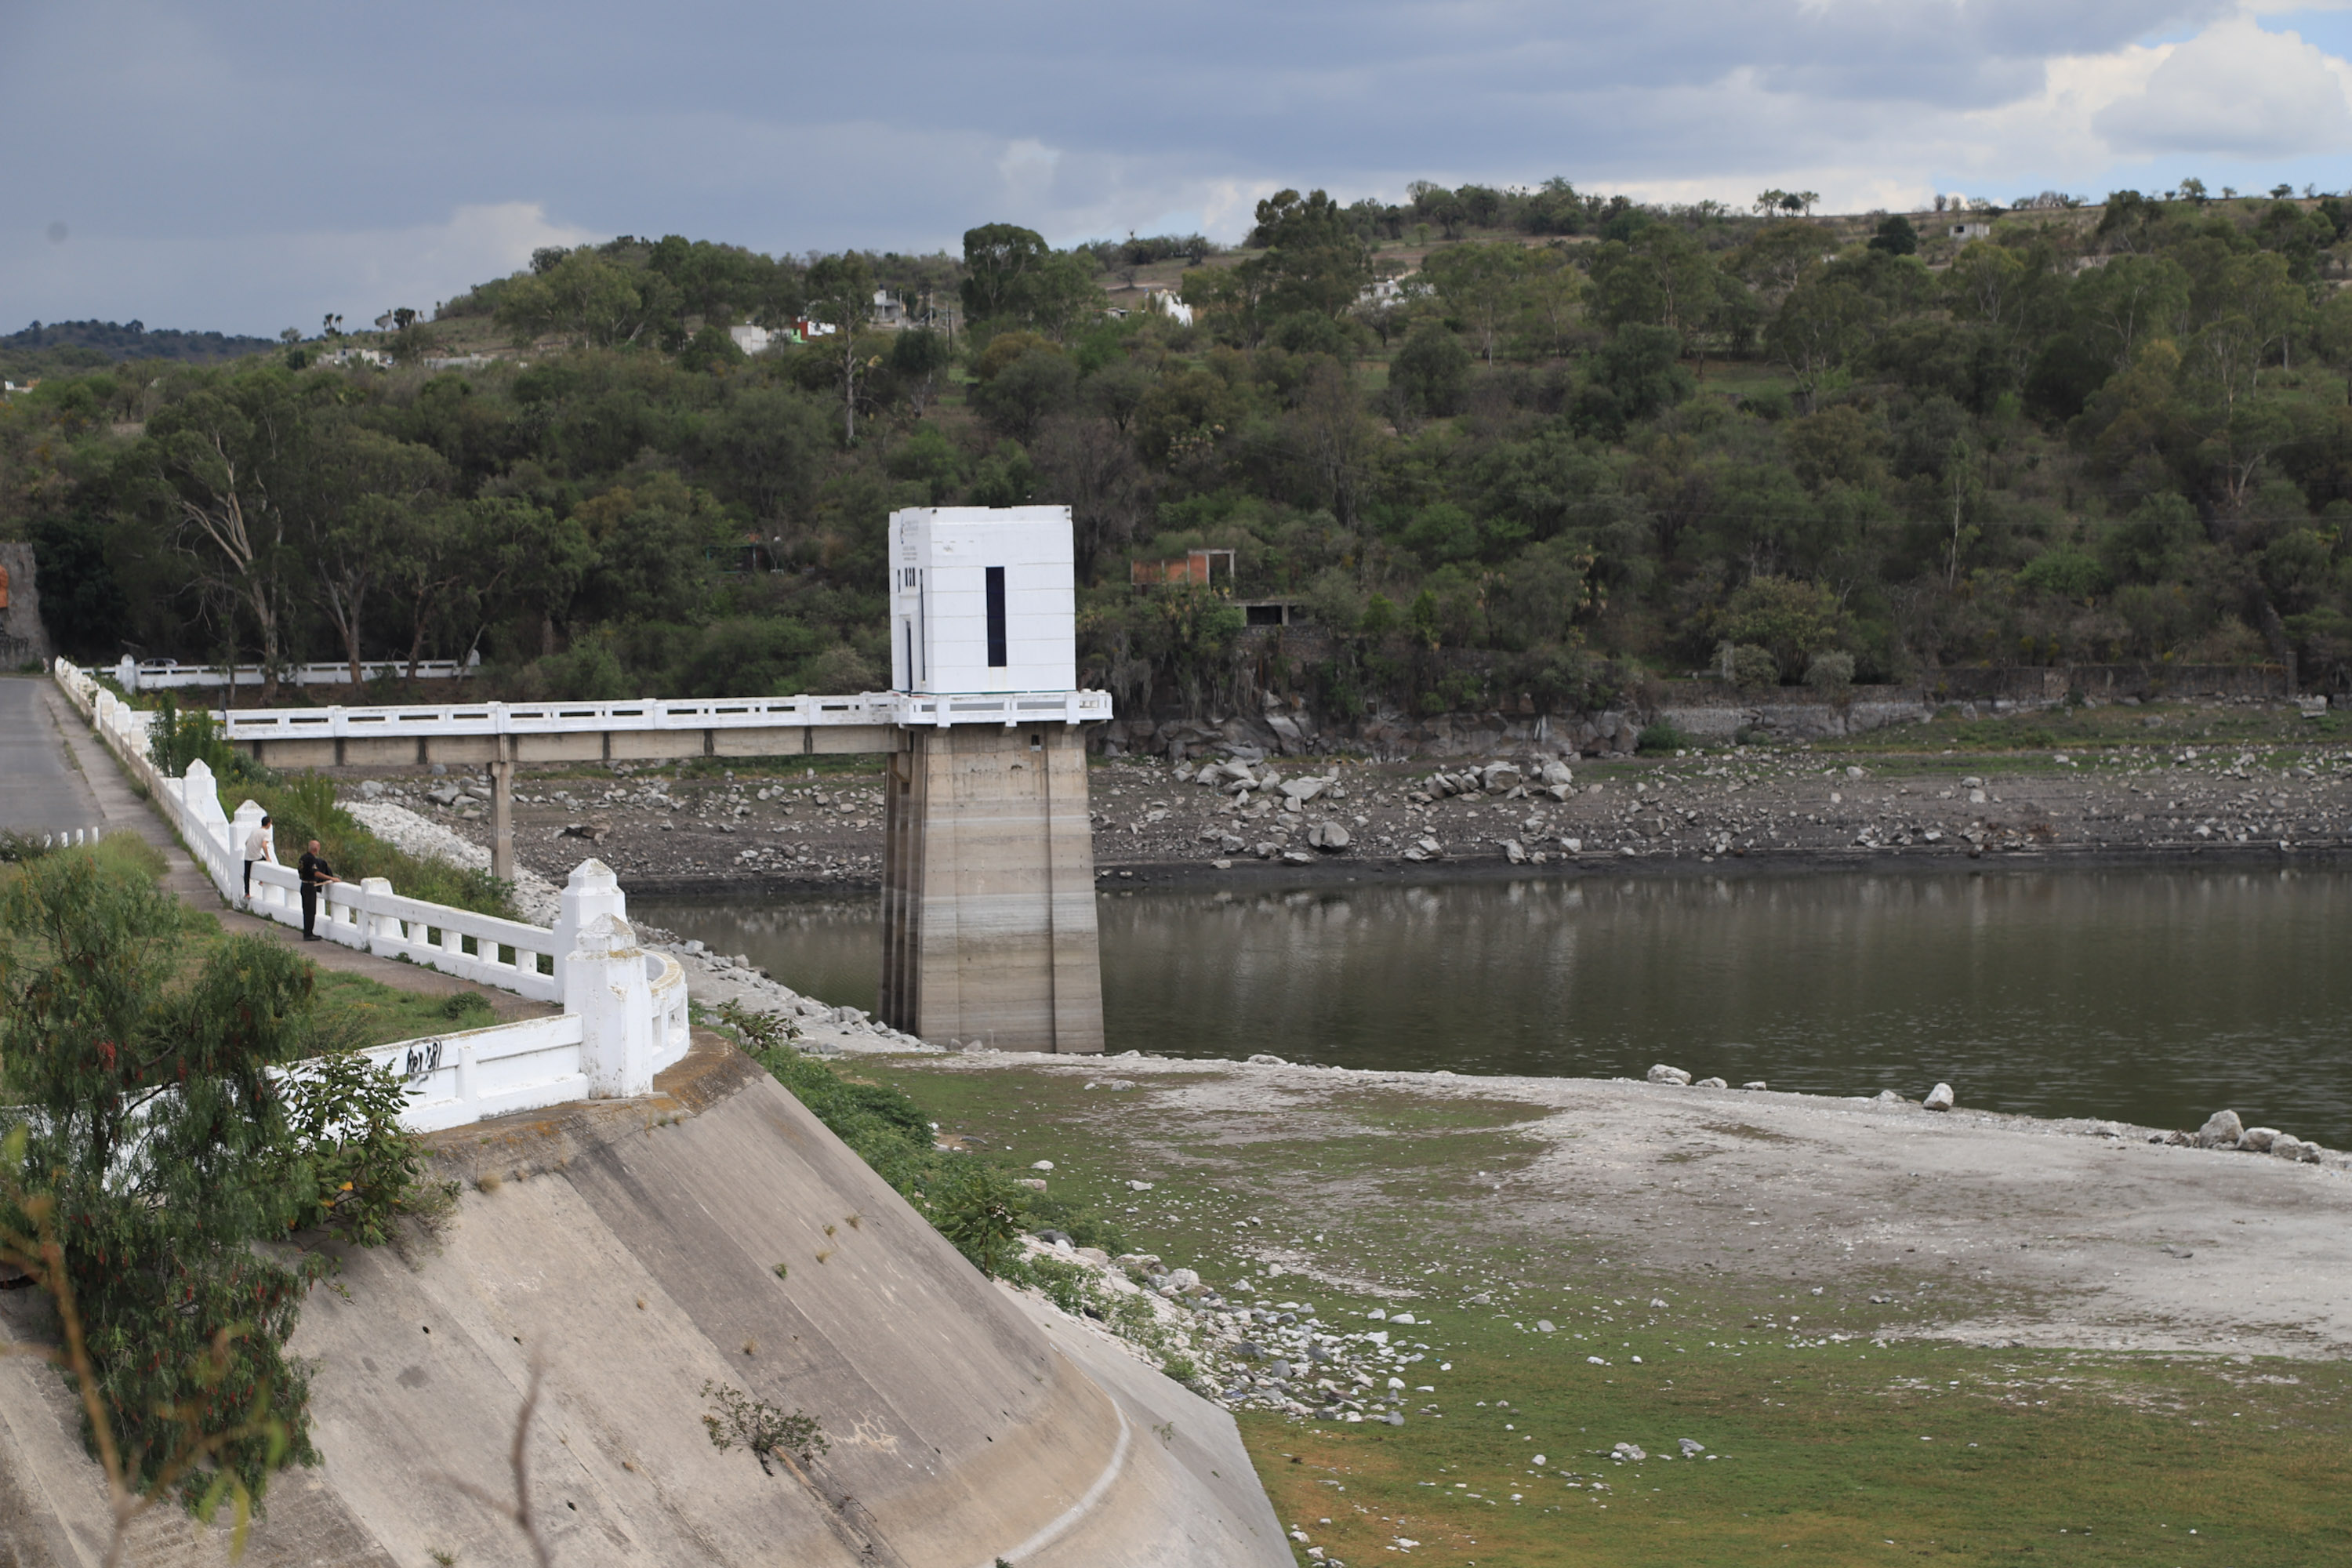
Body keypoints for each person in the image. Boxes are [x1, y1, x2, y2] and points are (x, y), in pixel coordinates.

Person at [297, 839, 339, 942]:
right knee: (311, 911)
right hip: (310, 886)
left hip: (303, 884)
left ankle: (307, 932)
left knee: (306, 910)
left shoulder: (303, 858)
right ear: (316, 848)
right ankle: (308, 934)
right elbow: (316, 873)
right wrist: (331, 878)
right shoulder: (311, 859)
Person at [241, 813, 274, 901]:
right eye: (270, 823)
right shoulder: (266, 833)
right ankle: (261, 880)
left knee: (247, 874)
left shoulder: (254, 831)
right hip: (256, 856)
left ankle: (247, 893)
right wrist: (267, 857)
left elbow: (246, 843)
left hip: (247, 855)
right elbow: (264, 845)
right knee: (266, 861)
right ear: (268, 824)